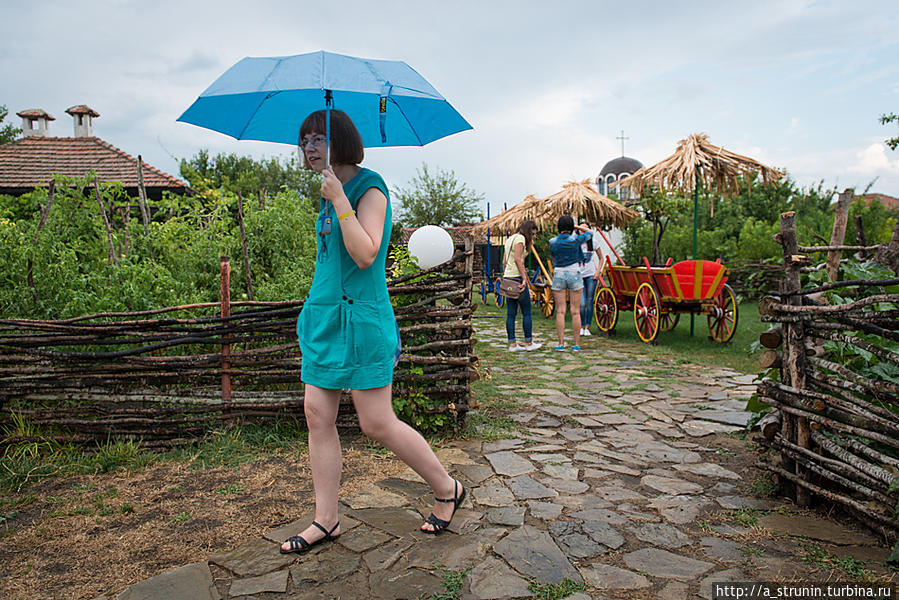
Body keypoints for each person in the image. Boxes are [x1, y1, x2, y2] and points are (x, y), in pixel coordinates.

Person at [282, 109, 464, 554]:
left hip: (362, 320)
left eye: (318, 138)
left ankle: (447, 488)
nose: (309, 147)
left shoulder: (370, 188)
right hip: (326, 318)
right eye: (304, 139)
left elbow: (365, 255)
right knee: (316, 416)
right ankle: (326, 520)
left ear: (340, 140)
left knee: (376, 422)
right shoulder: (328, 194)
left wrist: (341, 200)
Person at [548, 215, 592, 352]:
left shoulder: (552, 241)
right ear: (571, 227)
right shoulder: (575, 240)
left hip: (559, 272)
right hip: (574, 272)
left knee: (560, 311)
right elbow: (590, 233)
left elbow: (552, 255)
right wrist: (577, 227)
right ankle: (576, 344)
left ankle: (560, 343)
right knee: (575, 311)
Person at [502, 220, 542, 352]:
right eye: (533, 234)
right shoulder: (520, 239)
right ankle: (528, 343)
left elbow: (504, 261)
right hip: (517, 278)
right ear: (528, 231)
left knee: (511, 314)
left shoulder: (510, 239)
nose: (533, 237)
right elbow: (518, 259)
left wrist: (505, 275)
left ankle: (512, 344)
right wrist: (524, 278)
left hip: (508, 277)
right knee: (526, 312)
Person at [578, 220, 602, 337]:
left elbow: (601, 258)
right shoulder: (576, 243)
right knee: (581, 303)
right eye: (580, 229)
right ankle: (581, 325)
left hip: (591, 275)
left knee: (589, 301)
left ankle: (587, 326)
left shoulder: (594, 242)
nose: (582, 231)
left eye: (585, 229)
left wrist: (598, 271)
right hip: (578, 276)